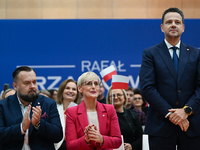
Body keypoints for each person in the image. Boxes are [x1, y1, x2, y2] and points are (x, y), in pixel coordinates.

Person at [139, 7, 200, 150]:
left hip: (192, 125)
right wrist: (171, 114)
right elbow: (148, 88)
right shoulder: (150, 53)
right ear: (162, 27)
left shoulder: (196, 54)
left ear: (183, 27)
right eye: (169, 22)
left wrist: (186, 111)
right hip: (161, 126)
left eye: (177, 22)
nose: (173, 25)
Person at [0, 66, 63, 149]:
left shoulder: (48, 103)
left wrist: (38, 124)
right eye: (27, 83)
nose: (32, 86)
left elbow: (58, 136)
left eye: (34, 82)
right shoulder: (3, 105)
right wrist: (21, 128)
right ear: (15, 86)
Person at [66, 72, 122, 150]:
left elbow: (118, 141)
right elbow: (70, 146)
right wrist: (86, 140)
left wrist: (102, 139)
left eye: (96, 84)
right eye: (89, 83)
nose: (93, 87)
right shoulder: (72, 112)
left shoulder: (110, 109)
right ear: (80, 88)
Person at [54, 79, 81, 150]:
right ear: (62, 91)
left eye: (74, 89)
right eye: (67, 88)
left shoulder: (81, 111)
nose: (71, 91)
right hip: (56, 146)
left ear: (77, 93)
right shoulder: (54, 109)